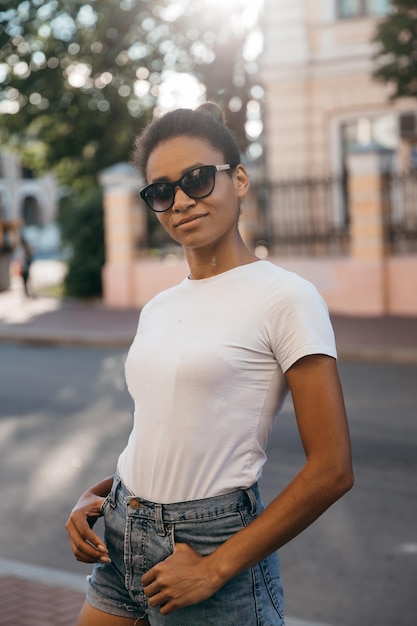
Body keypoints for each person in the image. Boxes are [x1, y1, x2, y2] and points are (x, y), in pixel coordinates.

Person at [66, 102, 354, 626]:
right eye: (161, 190)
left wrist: (216, 567)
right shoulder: (160, 307)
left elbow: (332, 469)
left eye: (198, 179)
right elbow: (168, 431)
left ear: (238, 179)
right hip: (121, 534)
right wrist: (100, 494)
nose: (181, 200)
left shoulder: (286, 297)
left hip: (206, 549)